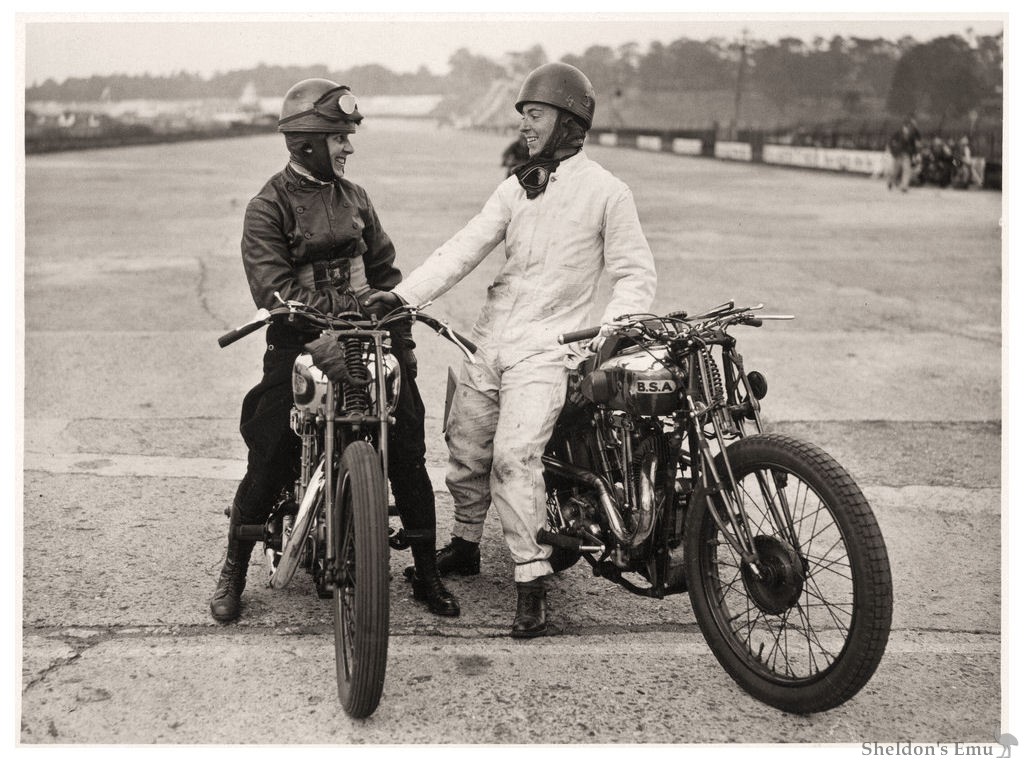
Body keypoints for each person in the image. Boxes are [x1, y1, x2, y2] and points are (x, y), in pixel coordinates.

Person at [366, 63, 657, 638]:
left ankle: (531, 578)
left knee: (513, 458)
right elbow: (462, 248)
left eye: (536, 115)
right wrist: (399, 298)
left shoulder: (607, 192)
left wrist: (612, 328)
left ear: (570, 121)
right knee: (466, 449)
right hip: (491, 338)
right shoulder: (517, 185)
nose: (525, 125)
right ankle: (466, 544)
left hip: (551, 350)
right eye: (524, 115)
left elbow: (634, 274)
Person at [210, 78, 459, 623]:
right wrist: (325, 314)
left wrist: (400, 331)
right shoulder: (267, 205)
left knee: (408, 444)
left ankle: (426, 570)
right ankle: (234, 564)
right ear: (307, 144)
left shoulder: (357, 198)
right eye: (339, 138)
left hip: (367, 335)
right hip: (298, 336)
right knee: (272, 444)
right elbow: (272, 286)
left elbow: (386, 271)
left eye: (347, 138)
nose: (348, 148)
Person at [887, 117, 920, 193]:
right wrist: (893, 152)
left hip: (906, 154)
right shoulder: (898, 133)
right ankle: (891, 181)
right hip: (898, 154)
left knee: (907, 170)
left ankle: (904, 186)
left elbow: (914, 145)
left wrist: (915, 154)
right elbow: (892, 142)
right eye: (911, 125)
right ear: (906, 125)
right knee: (895, 170)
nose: (912, 127)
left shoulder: (912, 134)